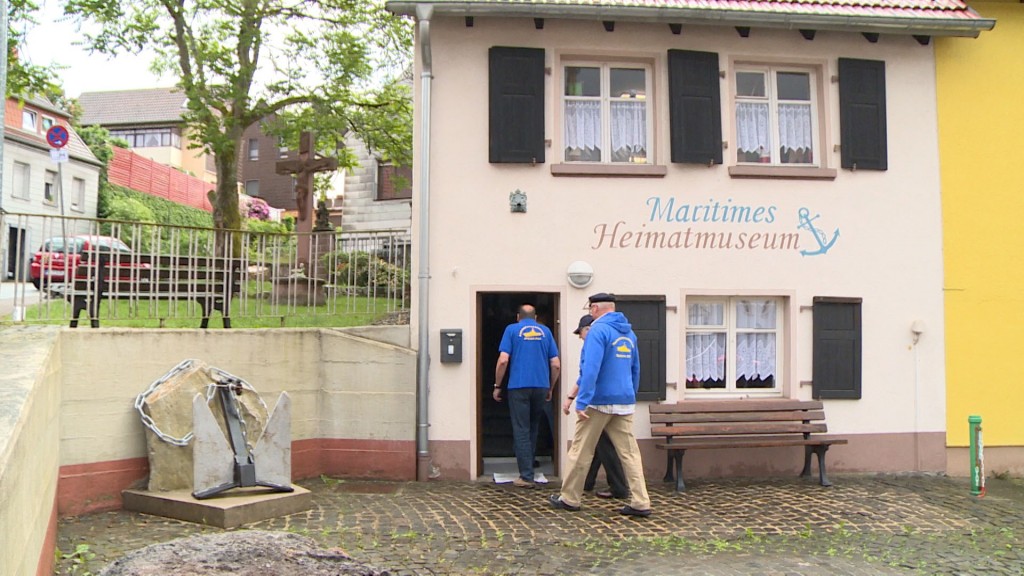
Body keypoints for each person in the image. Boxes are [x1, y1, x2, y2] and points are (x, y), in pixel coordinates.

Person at [550, 293, 652, 517]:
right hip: (623, 402)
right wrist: (630, 395)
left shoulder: (598, 330)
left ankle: (570, 498)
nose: (589, 312)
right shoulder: (629, 333)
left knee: (581, 450)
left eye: (589, 308)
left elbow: (590, 370)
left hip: (598, 402)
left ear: (595, 308)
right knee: (630, 454)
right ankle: (641, 501)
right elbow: (635, 369)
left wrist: (582, 401)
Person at [493, 304, 561, 488]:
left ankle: (526, 476)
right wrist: (550, 388)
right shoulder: (546, 331)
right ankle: (529, 468)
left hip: (518, 386)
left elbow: (503, 360)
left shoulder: (511, 330)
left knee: (521, 429)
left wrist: (497, 385)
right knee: (533, 427)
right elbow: (555, 364)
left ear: (518, 317)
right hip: (541, 386)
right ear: (536, 317)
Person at [563, 314, 628, 500]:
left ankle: (618, 487)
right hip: (609, 400)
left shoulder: (595, 343)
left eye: (581, 332)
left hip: (599, 402)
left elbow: (588, 376)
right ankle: (588, 482)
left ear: (588, 330)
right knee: (600, 445)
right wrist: (571, 397)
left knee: (601, 445)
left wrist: (576, 400)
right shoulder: (605, 341)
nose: (580, 337)